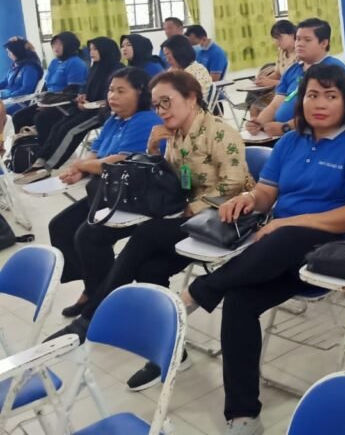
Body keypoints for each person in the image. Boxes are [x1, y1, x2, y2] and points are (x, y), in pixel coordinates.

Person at [178, 64, 345, 435]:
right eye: (312, 95)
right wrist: (248, 200)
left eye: (330, 96)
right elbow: (268, 193)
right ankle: (243, 414)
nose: (319, 104)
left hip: (329, 250)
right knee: (239, 302)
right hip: (276, 255)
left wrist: (289, 223)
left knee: (283, 236)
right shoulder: (290, 142)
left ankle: (198, 292)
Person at [52, 69, 254, 390]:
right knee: (149, 268)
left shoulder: (219, 133)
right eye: (157, 104)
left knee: (146, 234)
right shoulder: (172, 133)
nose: (161, 110)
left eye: (167, 102)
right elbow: (170, 181)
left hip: (225, 219)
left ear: (191, 98)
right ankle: (171, 351)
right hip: (189, 220)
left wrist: (191, 209)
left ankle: (92, 316)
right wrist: (153, 150)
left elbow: (234, 186)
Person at [45, 67, 164, 319]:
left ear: (140, 92)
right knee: (60, 227)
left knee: (88, 237)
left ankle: (104, 298)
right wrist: (80, 171)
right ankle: (94, 287)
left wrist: (81, 166)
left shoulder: (146, 121)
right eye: (111, 90)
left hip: (135, 197)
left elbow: (116, 161)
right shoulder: (114, 119)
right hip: (108, 192)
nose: (113, 96)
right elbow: (96, 152)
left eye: (121, 91)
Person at [20, 37, 123, 182]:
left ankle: (48, 167)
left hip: (101, 112)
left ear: (105, 50)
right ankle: (41, 158)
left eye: (95, 49)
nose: (91, 52)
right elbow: (86, 89)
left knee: (71, 130)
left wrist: (90, 104)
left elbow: (111, 98)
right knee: (59, 126)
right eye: (91, 49)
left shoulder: (117, 70)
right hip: (86, 107)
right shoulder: (96, 67)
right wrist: (82, 97)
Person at [247, 17, 345, 139]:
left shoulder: (334, 70)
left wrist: (286, 127)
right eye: (297, 39)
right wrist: (258, 123)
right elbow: (274, 106)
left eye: (307, 40)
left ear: (324, 43)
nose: (299, 44)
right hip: (284, 135)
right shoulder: (292, 70)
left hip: (316, 137)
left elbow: (328, 112)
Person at [11, 32, 89, 132]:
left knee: (40, 119)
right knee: (18, 117)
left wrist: (47, 103)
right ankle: (25, 141)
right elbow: (46, 85)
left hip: (65, 104)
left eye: (60, 44)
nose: (56, 47)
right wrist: (41, 101)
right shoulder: (54, 62)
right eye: (54, 44)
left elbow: (72, 91)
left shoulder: (76, 63)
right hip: (49, 101)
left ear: (69, 45)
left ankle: (43, 142)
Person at [246, 20, 297, 116]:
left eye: (279, 37)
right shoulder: (282, 52)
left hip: (292, 94)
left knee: (265, 111)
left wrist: (272, 82)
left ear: (292, 35)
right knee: (254, 107)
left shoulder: (300, 54)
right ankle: (258, 125)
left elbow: (296, 84)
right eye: (275, 38)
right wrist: (264, 80)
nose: (276, 41)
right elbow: (278, 73)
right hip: (280, 90)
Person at [1, 37, 44, 117]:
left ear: (17, 51)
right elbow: (5, 82)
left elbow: (26, 90)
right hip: (8, 100)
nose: (8, 55)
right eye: (7, 52)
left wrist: (8, 96)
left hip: (19, 102)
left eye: (10, 52)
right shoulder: (15, 65)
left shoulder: (30, 68)